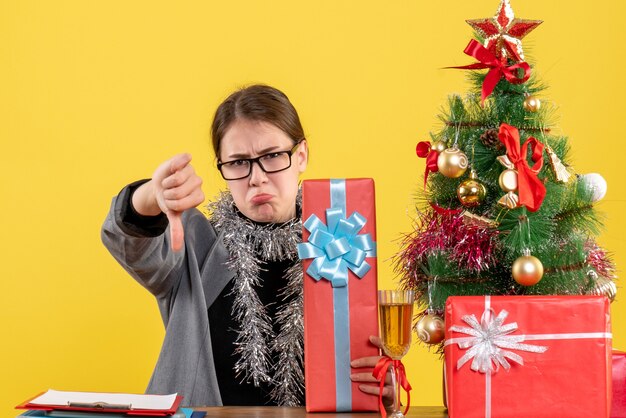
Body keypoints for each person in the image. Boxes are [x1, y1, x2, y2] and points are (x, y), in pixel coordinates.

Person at [101, 84, 391, 408]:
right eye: (238, 162)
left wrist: (377, 394)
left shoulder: (339, 241)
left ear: (301, 156)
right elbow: (126, 239)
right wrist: (153, 197)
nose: (256, 177)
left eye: (271, 156)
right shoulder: (195, 243)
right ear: (222, 168)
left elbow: (357, 374)